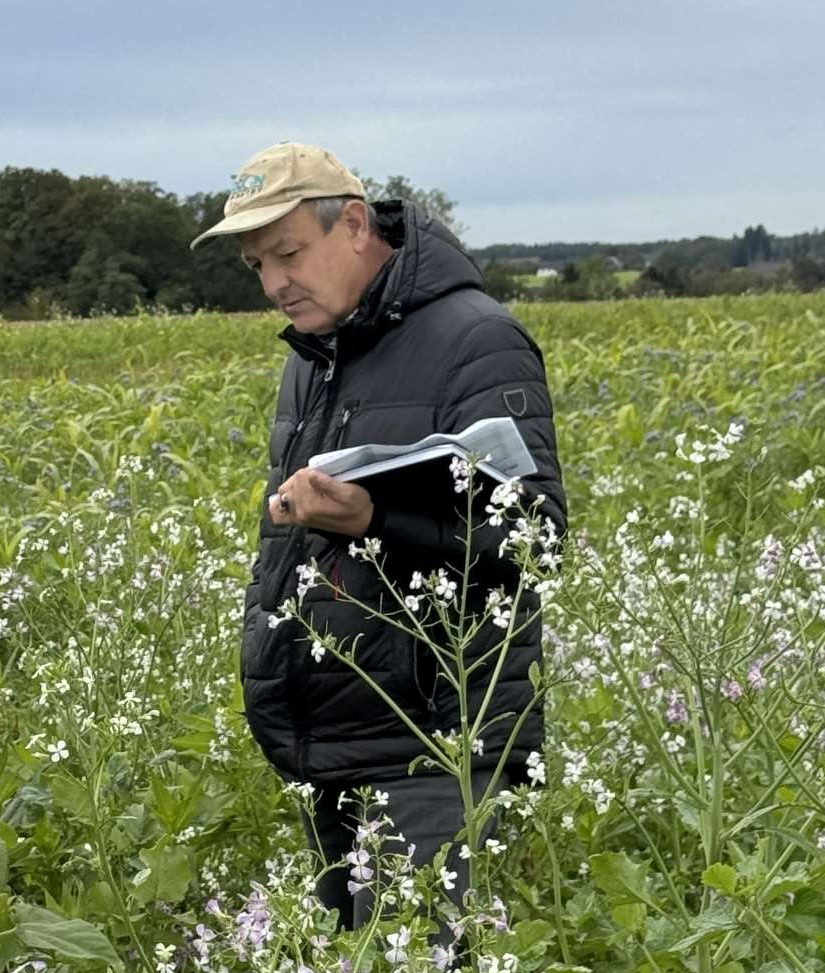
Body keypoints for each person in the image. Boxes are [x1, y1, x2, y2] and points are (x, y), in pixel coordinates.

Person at [192, 143, 566, 932]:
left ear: (355, 224)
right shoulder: (317, 355)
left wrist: (372, 518)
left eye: (288, 254)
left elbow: (537, 534)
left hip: (435, 740)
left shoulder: (476, 340)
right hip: (331, 738)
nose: (273, 285)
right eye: (257, 265)